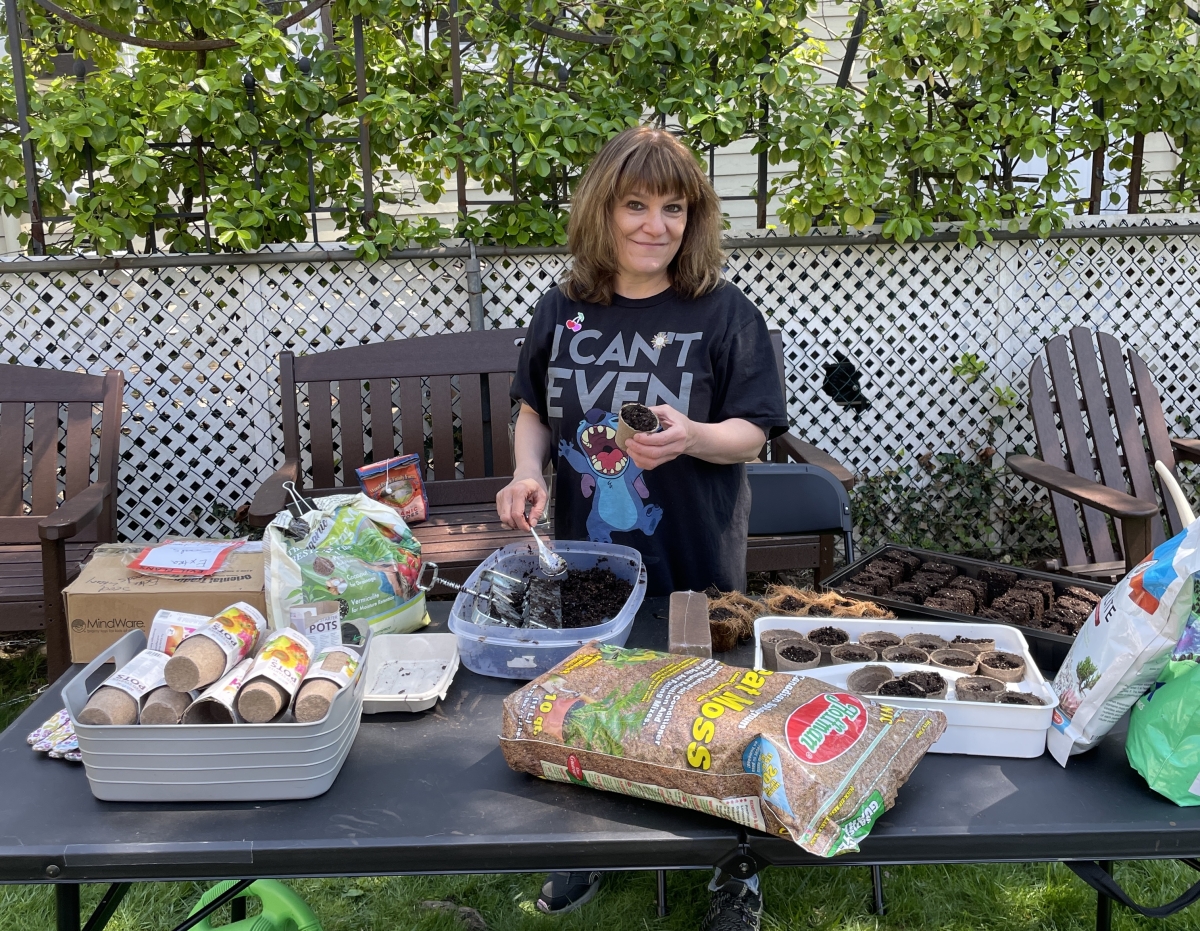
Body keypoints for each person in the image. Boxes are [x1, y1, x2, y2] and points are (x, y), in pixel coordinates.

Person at [496, 125, 788, 931]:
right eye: (636, 205)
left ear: (694, 218)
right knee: (588, 696)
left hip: (694, 560)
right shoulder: (563, 307)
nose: (655, 225)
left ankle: (734, 867)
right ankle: (586, 848)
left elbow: (755, 429)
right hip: (594, 565)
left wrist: (693, 435)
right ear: (604, 210)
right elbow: (532, 408)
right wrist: (527, 472)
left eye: (674, 207)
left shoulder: (722, 312)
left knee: (708, 705)